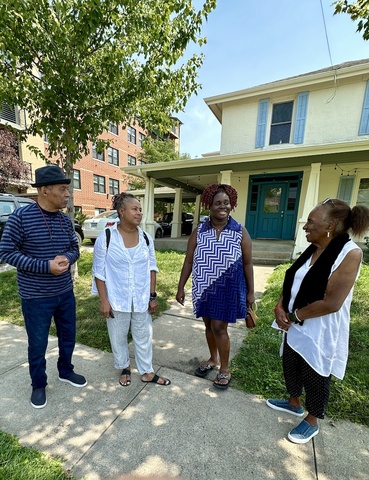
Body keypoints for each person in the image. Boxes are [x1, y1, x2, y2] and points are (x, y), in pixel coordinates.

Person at [267, 198, 369, 444]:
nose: (305, 226)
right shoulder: (314, 247)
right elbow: (293, 279)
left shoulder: (350, 253)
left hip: (320, 326)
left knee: (315, 371)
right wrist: (280, 306)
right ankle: (294, 402)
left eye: (311, 221)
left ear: (330, 225)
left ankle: (312, 420)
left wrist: (294, 315)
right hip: (294, 322)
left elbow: (332, 302)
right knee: (290, 362)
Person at [0, 165, 87, 409]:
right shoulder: (21, 218)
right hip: (35, 296)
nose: (67, 194)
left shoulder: (64, 220)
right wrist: (44, 266)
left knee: (68, 336)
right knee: (37, 343)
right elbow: (7, 252)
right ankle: (38, 384)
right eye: (63, 189)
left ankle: (65, 370)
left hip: (64, 292)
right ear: (45, 190)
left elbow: (74, 248)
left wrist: (68, 259)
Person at [176, 183, 255, 390]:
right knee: (208, 325)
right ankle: (213, 359)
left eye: (227, 203)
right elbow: (189, 261)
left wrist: (251, 292)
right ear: (209, 206)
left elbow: (247, 263)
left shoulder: (240, 231)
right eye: (218, 203)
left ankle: (225, 369)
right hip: (203, 286)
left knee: (220, 327)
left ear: (232, 204)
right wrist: (180, 287)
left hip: (228, 288)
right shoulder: (199, 231)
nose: (223, 207)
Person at [92, 193, 170, 387]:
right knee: (118, 335)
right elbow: (98, 272)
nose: (139, 213)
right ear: (121, 211)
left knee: (144, 335)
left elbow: (152, 267)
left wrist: (152, 296)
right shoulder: (107, 237)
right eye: (134, 209)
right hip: (117, 297)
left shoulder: (145, 237)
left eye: (140, 209)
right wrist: (104, 300)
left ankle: (147, 371)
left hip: (142, 297)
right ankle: (124, 366)